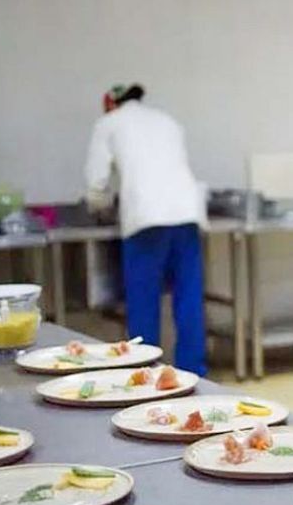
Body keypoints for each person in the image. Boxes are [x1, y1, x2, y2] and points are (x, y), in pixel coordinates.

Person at [84, 84, 207, 376]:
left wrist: (99, 207)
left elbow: (96, 182)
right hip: (187, 213)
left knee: (143, 301)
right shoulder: (167, 121)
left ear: (111, 103)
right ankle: (194, 372)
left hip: (145, 218)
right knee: (189, 300)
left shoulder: (108, 123)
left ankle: (145, 370)